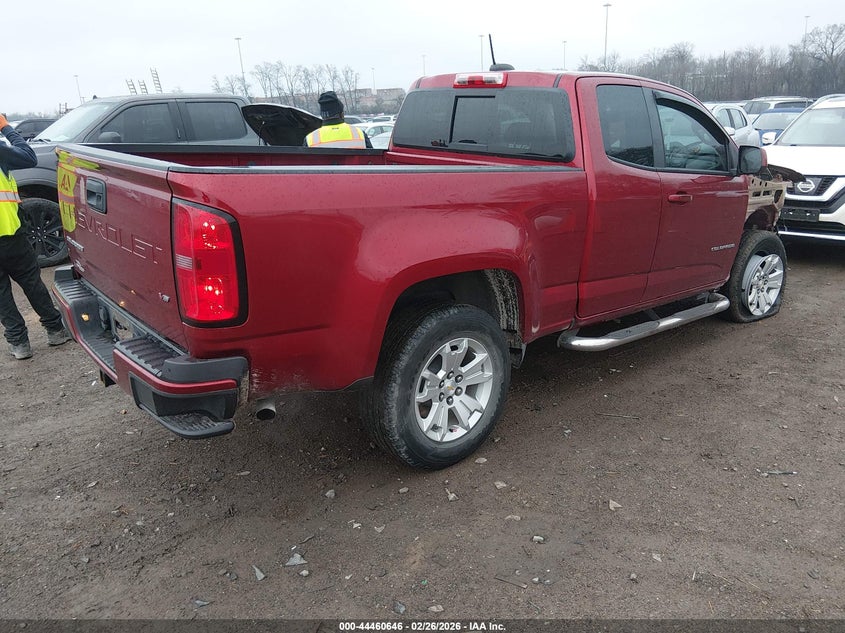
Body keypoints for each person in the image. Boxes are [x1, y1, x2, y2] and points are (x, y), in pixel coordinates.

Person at [0, 112, 71, 360]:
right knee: (31, 283)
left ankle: (20, 345)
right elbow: (28, 156)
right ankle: (55, 330)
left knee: (2, 297)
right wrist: (6, 128)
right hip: (10, 236)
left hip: (10, 236)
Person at [305, 91, 372, 148]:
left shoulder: (310, 139)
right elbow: (374, 160)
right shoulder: (359, 134)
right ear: (342, 114)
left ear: (322, 116)